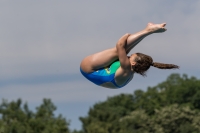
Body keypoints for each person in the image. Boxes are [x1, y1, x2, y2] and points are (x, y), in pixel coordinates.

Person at [80, 23, 179, 89]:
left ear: (134, 63)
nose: (129, 55)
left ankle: (149, 30)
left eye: (132, 56)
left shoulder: (126, 69)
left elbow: (119, 45)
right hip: (101, 71)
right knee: (124, 51)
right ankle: (149, 30)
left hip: (89, 68)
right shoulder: (130, 70)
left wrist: (125, 35)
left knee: (117, 51)